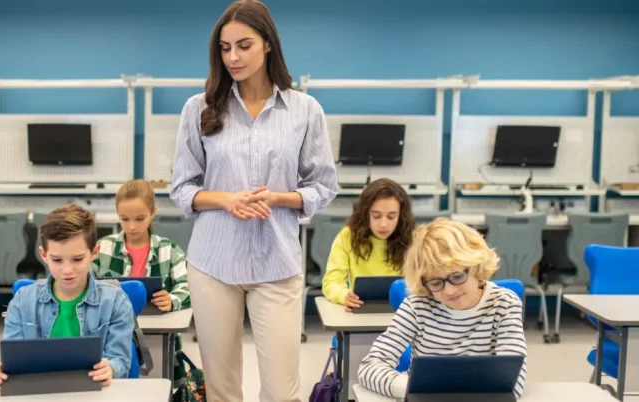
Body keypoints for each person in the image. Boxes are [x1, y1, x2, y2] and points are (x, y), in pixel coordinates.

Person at [170, 0, 338, 399]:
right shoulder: (200, 108)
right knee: (222, 388)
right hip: (213, 262)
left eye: (243, 45)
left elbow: (323, 186)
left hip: (276, 261)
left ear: (267, 44)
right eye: (225, 48)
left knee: (282, 391)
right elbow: (182, 188)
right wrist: (226, 200)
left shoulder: (305, 110)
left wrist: (283, 197)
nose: (233, 57)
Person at [357, 218, 527, 399]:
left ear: (476, 266)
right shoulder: (417, 306)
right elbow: (369, 367)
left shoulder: (505, 304)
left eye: (457, 276)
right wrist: (411, 388)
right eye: (436, 282)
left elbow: (513, 382)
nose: (449, 290)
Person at [0, 204, 135, 391]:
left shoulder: (116, 302)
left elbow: (121, 361)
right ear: (43, 255)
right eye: (57, 260)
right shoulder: (22, 301)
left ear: (94, 252)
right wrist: (5, 371)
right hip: (39, 394)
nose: (67, 270)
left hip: (93, 394)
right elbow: (12, 358)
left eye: (77, 259)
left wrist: (110, 368)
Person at [90, 179, 190, 380]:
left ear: (153, 212)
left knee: (159, 385)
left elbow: (187, 287)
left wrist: (172, 300)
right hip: (111, 331)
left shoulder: (169, 251)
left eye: (140, 218)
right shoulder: (103, 248)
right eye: (124, 219)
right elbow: (85, 282)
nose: (132, 226)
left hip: (158, 331)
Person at [322, 178, 415, 311]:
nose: (383, 224)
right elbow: (331, 282)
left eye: (391, 217)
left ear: (401, 216)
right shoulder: (348, 236)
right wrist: (344, 295)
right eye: (376, 216)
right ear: (365, 214)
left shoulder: (412, 239)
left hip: (403, 314)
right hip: (361, 310)